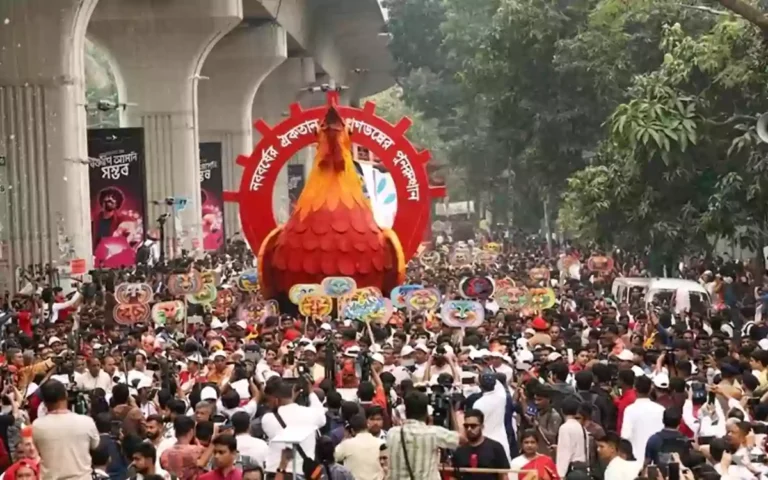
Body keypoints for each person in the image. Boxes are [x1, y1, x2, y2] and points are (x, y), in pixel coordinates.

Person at [386, 391, 464, 480]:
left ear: (406, 412)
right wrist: (451, 414)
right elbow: (462, 440)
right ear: (426, 412)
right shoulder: (434, 433)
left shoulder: (392, 433)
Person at [32, 380, 100, 480]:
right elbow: (95, 445)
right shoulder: (86, 422)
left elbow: (34, 451)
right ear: (66, 394)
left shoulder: (37, 425)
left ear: (44, 401)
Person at [261, 379, 326, 476]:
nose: (267, 404)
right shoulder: (311, 414)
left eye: (268, 400)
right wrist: (311, 392)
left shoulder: (268, 419)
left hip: (276, 472)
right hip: (302, 473)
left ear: (275, 400)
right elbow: (321, 415)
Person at [452, 409, 510, 480]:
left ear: (482, 426)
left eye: (473, 426)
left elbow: (503, 476)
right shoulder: (459, 451)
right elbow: (454, 477)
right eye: (466, 426)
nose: (469, 429)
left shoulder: (496, 448)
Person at [620, 375, 664, 460]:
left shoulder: (630, 410)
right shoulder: (661, 409)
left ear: (634, 389)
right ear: (651, 389)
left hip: (636, 459)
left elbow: (625, 436)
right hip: (655, 458)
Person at [334, 414, 384, 480]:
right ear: (367, 426)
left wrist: (345, 438)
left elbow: (333, 457)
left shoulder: (347, 445)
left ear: (352, 430)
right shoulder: (381, 443)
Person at [555, 399, 587, 477]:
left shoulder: (564, 428)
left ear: (561, 411)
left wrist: (560, 474)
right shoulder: (581, 427)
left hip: (571, 470)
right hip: (583, 468)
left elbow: (565, 453)